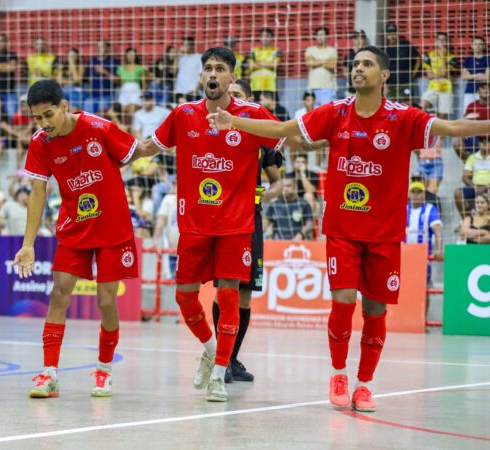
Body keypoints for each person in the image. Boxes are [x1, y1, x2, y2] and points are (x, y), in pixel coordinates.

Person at [207, 45, 490, 412]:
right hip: (342, 228)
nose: (358, 69)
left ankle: (365, 384)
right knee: (342, 302)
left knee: (375, 310)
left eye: (366, 64)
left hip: (385, 233)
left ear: (384, 75)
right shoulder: (335, 112)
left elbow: (451, 128)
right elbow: (280, 129)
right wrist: (234, 121)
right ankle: (339, 375)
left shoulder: (403, 117)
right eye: (355, 64)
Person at [148, 47, 285, 402]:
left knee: (229, 296)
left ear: (232, 77)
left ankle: (220, 374)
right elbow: (150, 147)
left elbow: (287, 137)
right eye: (207, 68)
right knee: (184, 296)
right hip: (194, 224)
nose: (212, 73)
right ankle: (210, 349)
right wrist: (115, 153)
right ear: (201, 76)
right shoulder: (183, 114)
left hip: (236, 224)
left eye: (220, 68)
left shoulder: (251, 115)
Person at [13, 79, 155, 399]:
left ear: (64, 106)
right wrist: (28, 244)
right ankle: (49, 374)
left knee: (105, 301)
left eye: (48, 115)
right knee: (59, 293)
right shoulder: (40, 142)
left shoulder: (98, 127)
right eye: (37, 118)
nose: (44, 123)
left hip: (112, 227)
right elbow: (38, 192)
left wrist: (168, 139)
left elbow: (137, 150)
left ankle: (104, 370)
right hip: (74, 227)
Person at [211, 79, 283, 384]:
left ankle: (232, 359)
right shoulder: (212, 133)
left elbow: (277, 182)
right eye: (230, 96)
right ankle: (220, 360)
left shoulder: (260, 136)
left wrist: (262, 196)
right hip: (222, 218)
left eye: (238, 96)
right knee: (224, 290)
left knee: (245, 295)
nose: (232, 101)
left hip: (251, 218)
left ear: (249, 100)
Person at [405, 180, 443, 315]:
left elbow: (438, 231)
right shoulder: (403, 209)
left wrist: (439, 249)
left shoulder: (430, 209)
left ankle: (423, 320)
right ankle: (405, 318)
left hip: (423, 258)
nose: (416, 195)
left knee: (423, 289)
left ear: (424, 194)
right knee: (403, 288)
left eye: (419, 192)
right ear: (409, 194)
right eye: (413, 192)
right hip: (404, 257)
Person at [421, 32, 459, 118]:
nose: (441, 41)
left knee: (443, 116)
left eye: (444, 40)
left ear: (447, 42)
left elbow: (445, 73)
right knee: (422, 106)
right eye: (439, 39)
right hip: (433, 87)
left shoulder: (452, 57)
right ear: (436, 41)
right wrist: (442, 74)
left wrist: (442, 56)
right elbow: (430, 76)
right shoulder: (429, 56)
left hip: (446, 88)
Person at [383, 23, 421, 103]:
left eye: (394, 33)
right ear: (386, 36)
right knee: (390, 108)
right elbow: (382, 68)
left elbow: (418, 59)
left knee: (406, 106)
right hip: (391, 85)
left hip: (405, 83)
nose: (392, 36)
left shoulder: (406, 45)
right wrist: (385, 84)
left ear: (398, 34)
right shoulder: (384, 50)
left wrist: (413, 75)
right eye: (389, 34)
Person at [455, 134, 490, 216]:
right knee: (458, 193)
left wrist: (487, 187)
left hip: (488, 187)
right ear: (478, 143)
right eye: (482, 141)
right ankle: (466, 219)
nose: (485, 143)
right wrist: (474, 187)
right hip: (475, 187)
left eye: (488, 141)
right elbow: (464, 177)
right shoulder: (472, 158)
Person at [305, 27, 339, 106]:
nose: (320, 37)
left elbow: (332, 65)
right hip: (313, 86)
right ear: (315, 37)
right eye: (318, 35)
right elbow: (309, 63)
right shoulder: (310, 50)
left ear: (327, 37)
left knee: (327, 111)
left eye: (322, 35)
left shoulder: (332, 50)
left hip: (328, 87)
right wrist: (326, 60)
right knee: (315, 112)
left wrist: (316, 60)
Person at [85, 40, 119, 114]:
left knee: (102, 115)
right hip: (93, 95)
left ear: (108, 49)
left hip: (107, 95)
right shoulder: (92, 61)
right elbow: (86, 78)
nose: (99, 49)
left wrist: (104, 72)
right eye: (98, 47)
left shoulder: (113, 62)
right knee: (88, 111)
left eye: (102, 47)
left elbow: (117, 81)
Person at [249, 28, 282, 102]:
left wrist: (258, 63)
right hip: (255, 85)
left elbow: (275, 66)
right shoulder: (253, 50)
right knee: (255, 106)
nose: (265, 38)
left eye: (267, 36)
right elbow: (251, 66)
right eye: (263, 36)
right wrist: (268, 64)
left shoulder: (276, 50)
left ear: (271, 38)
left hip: (270, 85)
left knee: (271, 107)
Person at [117, 47, 148, 120]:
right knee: (123, 114)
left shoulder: (140, 68)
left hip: (135, 91)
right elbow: (120, 82)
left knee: (133, 114)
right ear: (126, 56)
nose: (131, 56)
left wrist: (143, 94)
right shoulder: (121, 68)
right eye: (129, 55)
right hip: (124, 91)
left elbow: (144, 83)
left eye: (133, 55)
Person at [461, 36, 488, 114]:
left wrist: (471, 76)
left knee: (484, 114)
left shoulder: (488, 59)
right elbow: (464, 76)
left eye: (480, 44)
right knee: (467, 114)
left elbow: (487, 77)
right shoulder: (468, 59)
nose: (478, 46)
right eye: (475, 44)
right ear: (472, 45)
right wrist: (479, 75)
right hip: (470, 90)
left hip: (484, 92)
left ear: (484, 46)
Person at [345, 30, 369, 95]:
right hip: (351, 89)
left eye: (361, 38)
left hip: (365, 89)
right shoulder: (349, 54)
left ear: (364, 40)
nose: (358, 40)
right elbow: (345, 70)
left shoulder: (368, 54)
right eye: (356, 38)